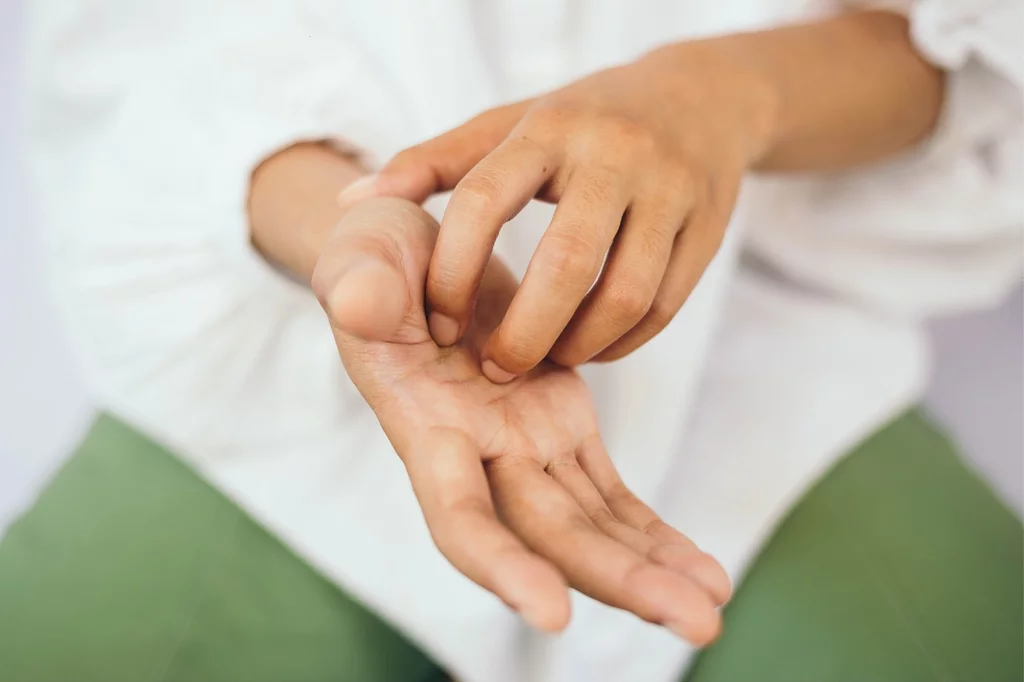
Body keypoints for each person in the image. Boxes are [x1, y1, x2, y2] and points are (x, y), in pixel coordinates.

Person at [2, 1, 1021, 681]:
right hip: (271, 370)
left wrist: (715, 97)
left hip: (771, 364)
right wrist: (347, 230)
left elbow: (966, 50)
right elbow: (136, 48)